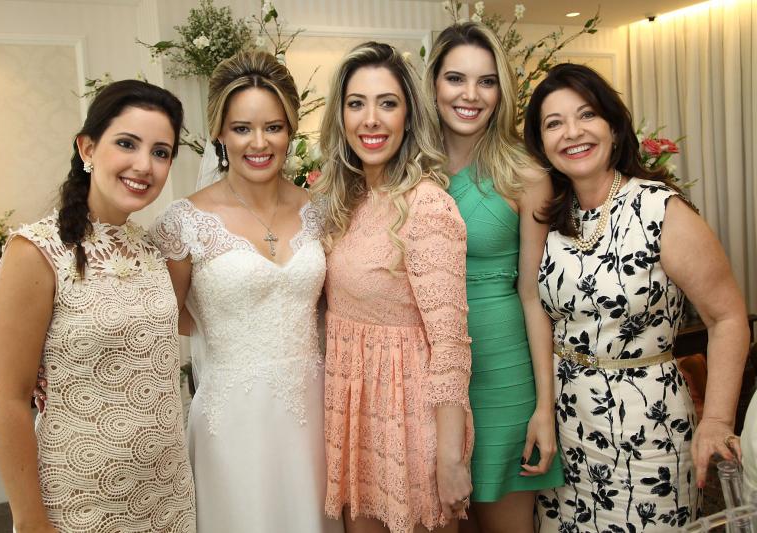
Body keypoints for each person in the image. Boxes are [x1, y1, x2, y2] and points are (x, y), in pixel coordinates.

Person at [522, 63, 750, 532]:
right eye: (554, 123)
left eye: (587, 115)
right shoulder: (551, 217)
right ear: (541, 144)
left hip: (647, 432)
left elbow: (727, 317)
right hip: (565, 432)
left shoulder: (661, 209)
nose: (572, 132)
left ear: (613, 125)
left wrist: (717, 419)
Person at [0, 80, 195, 532]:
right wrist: (29, 519)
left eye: (160, 152)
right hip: (80, 498)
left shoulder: (152, 248)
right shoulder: (35, 252)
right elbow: (7, 400)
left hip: (169, 494)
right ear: (87, 148)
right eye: (127, 143)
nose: (144, 165)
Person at [149, 50, 342, 533]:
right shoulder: (183, 222)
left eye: (273, 127)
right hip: (230, 420)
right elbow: (162, 321)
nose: (259, 143)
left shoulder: (321, 212)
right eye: (242, 128)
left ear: (291, 129)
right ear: (219, 132)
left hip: (314, 414)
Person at [312, 41, 473, 533]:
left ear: (408, 116)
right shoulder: (344, 200)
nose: (371, 120)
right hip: (356, 415)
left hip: (410, 422)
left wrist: (451, 458)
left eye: (387, 103)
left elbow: (450, 346)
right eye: (356, 104)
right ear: (340, 117)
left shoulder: (427, 206)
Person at [424, 22, 563, 533]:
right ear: (433, 84)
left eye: (486, 81)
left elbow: (533, 297)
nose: (471, 95)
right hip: (426, 372)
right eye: (455, 78)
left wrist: (544, 406)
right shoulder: (410, 172)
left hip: (503, 372)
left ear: (502, 91)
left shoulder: (526, 176)